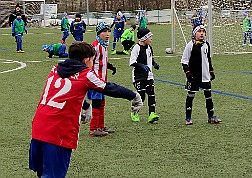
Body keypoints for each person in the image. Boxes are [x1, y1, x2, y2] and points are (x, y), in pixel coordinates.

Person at [29, 41, 143, 178]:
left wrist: (86, 105)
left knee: (42, 172)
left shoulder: (55, 69)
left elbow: (63, 91)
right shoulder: (85, 74)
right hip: (58, 131)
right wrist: (133, 95)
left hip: (39, 127)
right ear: (87, 59)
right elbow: (108, 87)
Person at [181, 25, 221, 125]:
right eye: (199, 31)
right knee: (190, 96)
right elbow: (184, 61)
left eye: (203, 31)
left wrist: (211, 71)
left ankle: (211, 116)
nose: (202, 33)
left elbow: (208, 60)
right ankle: (188, 118)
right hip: (194, 77)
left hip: (205, 76)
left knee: (208, 96)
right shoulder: (190, 45)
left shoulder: (206, 45)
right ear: (195, 34)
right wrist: (188, 74)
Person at [87, 22, 117, 137]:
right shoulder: (95, 46)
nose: (107, 34)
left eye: (108, 31)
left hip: (102, 80)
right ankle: (93, 128)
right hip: (95, 81)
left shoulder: (104, 45)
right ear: (99, 33)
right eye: (104, 31)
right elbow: (89, 62)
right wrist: (92, 77)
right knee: (96, 103)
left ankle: (100, 126)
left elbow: (101, 61)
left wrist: (110, 66)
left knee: (102, 103)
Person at [129, 27, 160, 123]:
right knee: (141, 96)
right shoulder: (136, 48)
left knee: (151, 93)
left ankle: (152, 114)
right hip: (138, 76)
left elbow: (150, 58)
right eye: (149, 37)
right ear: (143, 38)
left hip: (149, 75)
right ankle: (134, 112)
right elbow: (132, 62)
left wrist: (154, 64)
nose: (151, 39)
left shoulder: (149, 48)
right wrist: (142, 66)